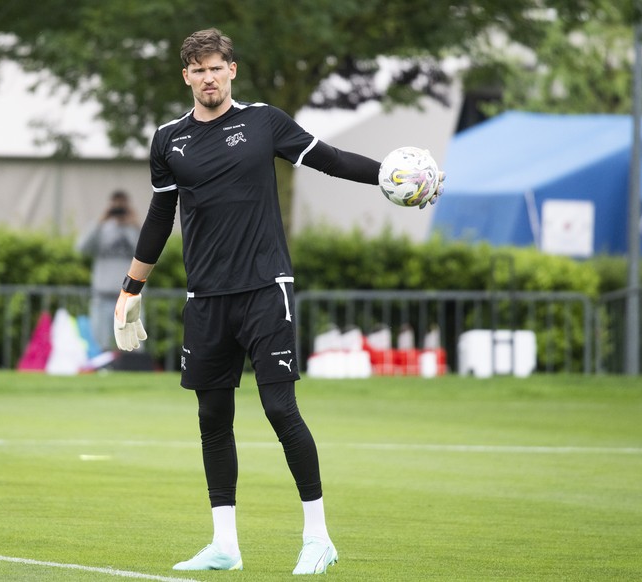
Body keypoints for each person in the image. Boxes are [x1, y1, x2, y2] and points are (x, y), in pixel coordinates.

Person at [112, 28, 442, 575]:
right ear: (186, 76)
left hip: (267, 290)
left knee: (278, 409)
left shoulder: (264, 121)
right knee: (212, 418)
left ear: (232, 70)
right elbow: (158, 219)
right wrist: (131, 288)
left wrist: (385, 173)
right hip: (206, 299)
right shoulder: (168, 140)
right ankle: (225, 545)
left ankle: (318, 538)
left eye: (216, 67)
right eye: (197, 70)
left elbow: (329, 159)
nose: (208, 77)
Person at [76, 190, 140, 352]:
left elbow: (150, 253)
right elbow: (81, 248)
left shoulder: (134, 229)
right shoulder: (102, 228)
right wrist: (100, 221)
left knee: (133, 343)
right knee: (99, 344)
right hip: (102, 296)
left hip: (129, 297)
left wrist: (135, 224)